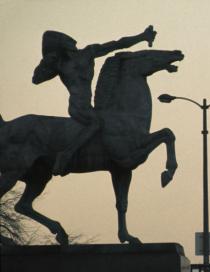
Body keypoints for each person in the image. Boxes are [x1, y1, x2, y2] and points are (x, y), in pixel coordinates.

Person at [32, 26, 156, 176]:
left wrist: (142, 37)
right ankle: (66, 154)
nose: (72, 44)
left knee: (107, 121)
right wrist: (46, 62)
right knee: (96, 123)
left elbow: (117, 44)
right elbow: (36, 79)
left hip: (90, 106)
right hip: (78, 107)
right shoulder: (60, 64)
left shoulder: (88, 53)